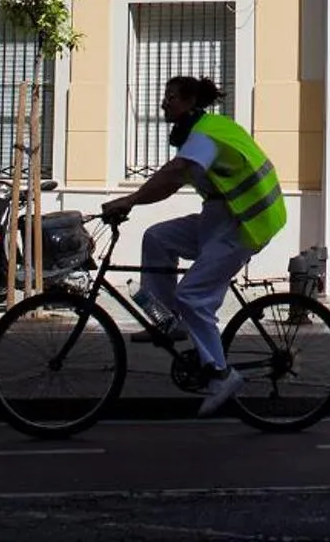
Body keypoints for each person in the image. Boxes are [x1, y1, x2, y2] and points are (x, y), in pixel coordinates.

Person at [100, 74, 286, 415]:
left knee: (194, 296)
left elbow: (174, 172)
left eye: (171, 97)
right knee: (157, 237)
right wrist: (137, 199)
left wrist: (128, 200)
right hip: (219, 215)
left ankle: (220, 373)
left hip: (245, 222)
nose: (163, 104)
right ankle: (168, 323)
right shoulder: (198, 135)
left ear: (189, 102)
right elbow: (171, 185)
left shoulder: (206, 134)